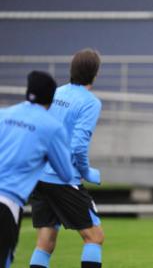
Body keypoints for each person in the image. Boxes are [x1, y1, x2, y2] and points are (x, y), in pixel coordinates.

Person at [29, 49, 104, 268]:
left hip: (40, 176)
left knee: (45, 243)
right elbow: (78, 146)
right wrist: (86, 172)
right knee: (95, 237)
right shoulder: (90, 103)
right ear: (95, 74)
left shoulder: (55, 93)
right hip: (63, 178)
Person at [0, 71, 75, 268]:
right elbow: (66, 173)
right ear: (51, 98)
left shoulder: (3, 114)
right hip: (7, 203)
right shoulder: (51, 127)